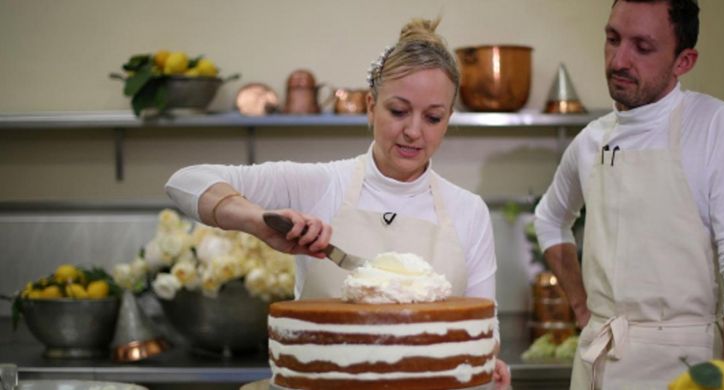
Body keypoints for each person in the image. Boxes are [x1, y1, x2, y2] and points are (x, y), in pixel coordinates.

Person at [165, 17, 510, 387]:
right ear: (371, 106)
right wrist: (259, 221)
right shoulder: (320, 185)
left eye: (433, 117)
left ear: (448, 120)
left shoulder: (468, 210)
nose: (413, 131)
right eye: (398, 111)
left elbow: (484, 329)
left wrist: (489, 372)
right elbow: (185, 183)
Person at [533, 0, 724, 388]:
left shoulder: (713, 125)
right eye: (612, 39)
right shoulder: (590, 141)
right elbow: (549, 218)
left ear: (683, 61)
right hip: (599, 363)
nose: (619, 59)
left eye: (642, 47)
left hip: (687, 365)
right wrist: (581, 306)